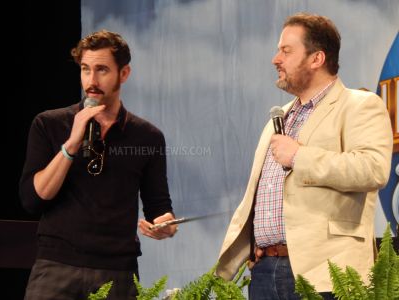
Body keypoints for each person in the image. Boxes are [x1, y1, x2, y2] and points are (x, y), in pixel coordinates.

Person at [216, 13, 393, 300]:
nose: (276, 59)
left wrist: (300, 156)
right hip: (265, 270)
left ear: (316, 59)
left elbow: (372, 169)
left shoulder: (360, 105)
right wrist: (255, 245)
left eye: (286, 50)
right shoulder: (279, 117)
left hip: (327, 273)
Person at [20, 29, 177, 300]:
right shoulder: (49, 124)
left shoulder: (148, 136)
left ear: (123, 74)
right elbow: (33, 199)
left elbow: (159, 208)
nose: (91, 81)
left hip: (117, 272)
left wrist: (165, 225)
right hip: (56, 267)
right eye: (85, 69)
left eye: (102, 70)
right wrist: (71, 144)